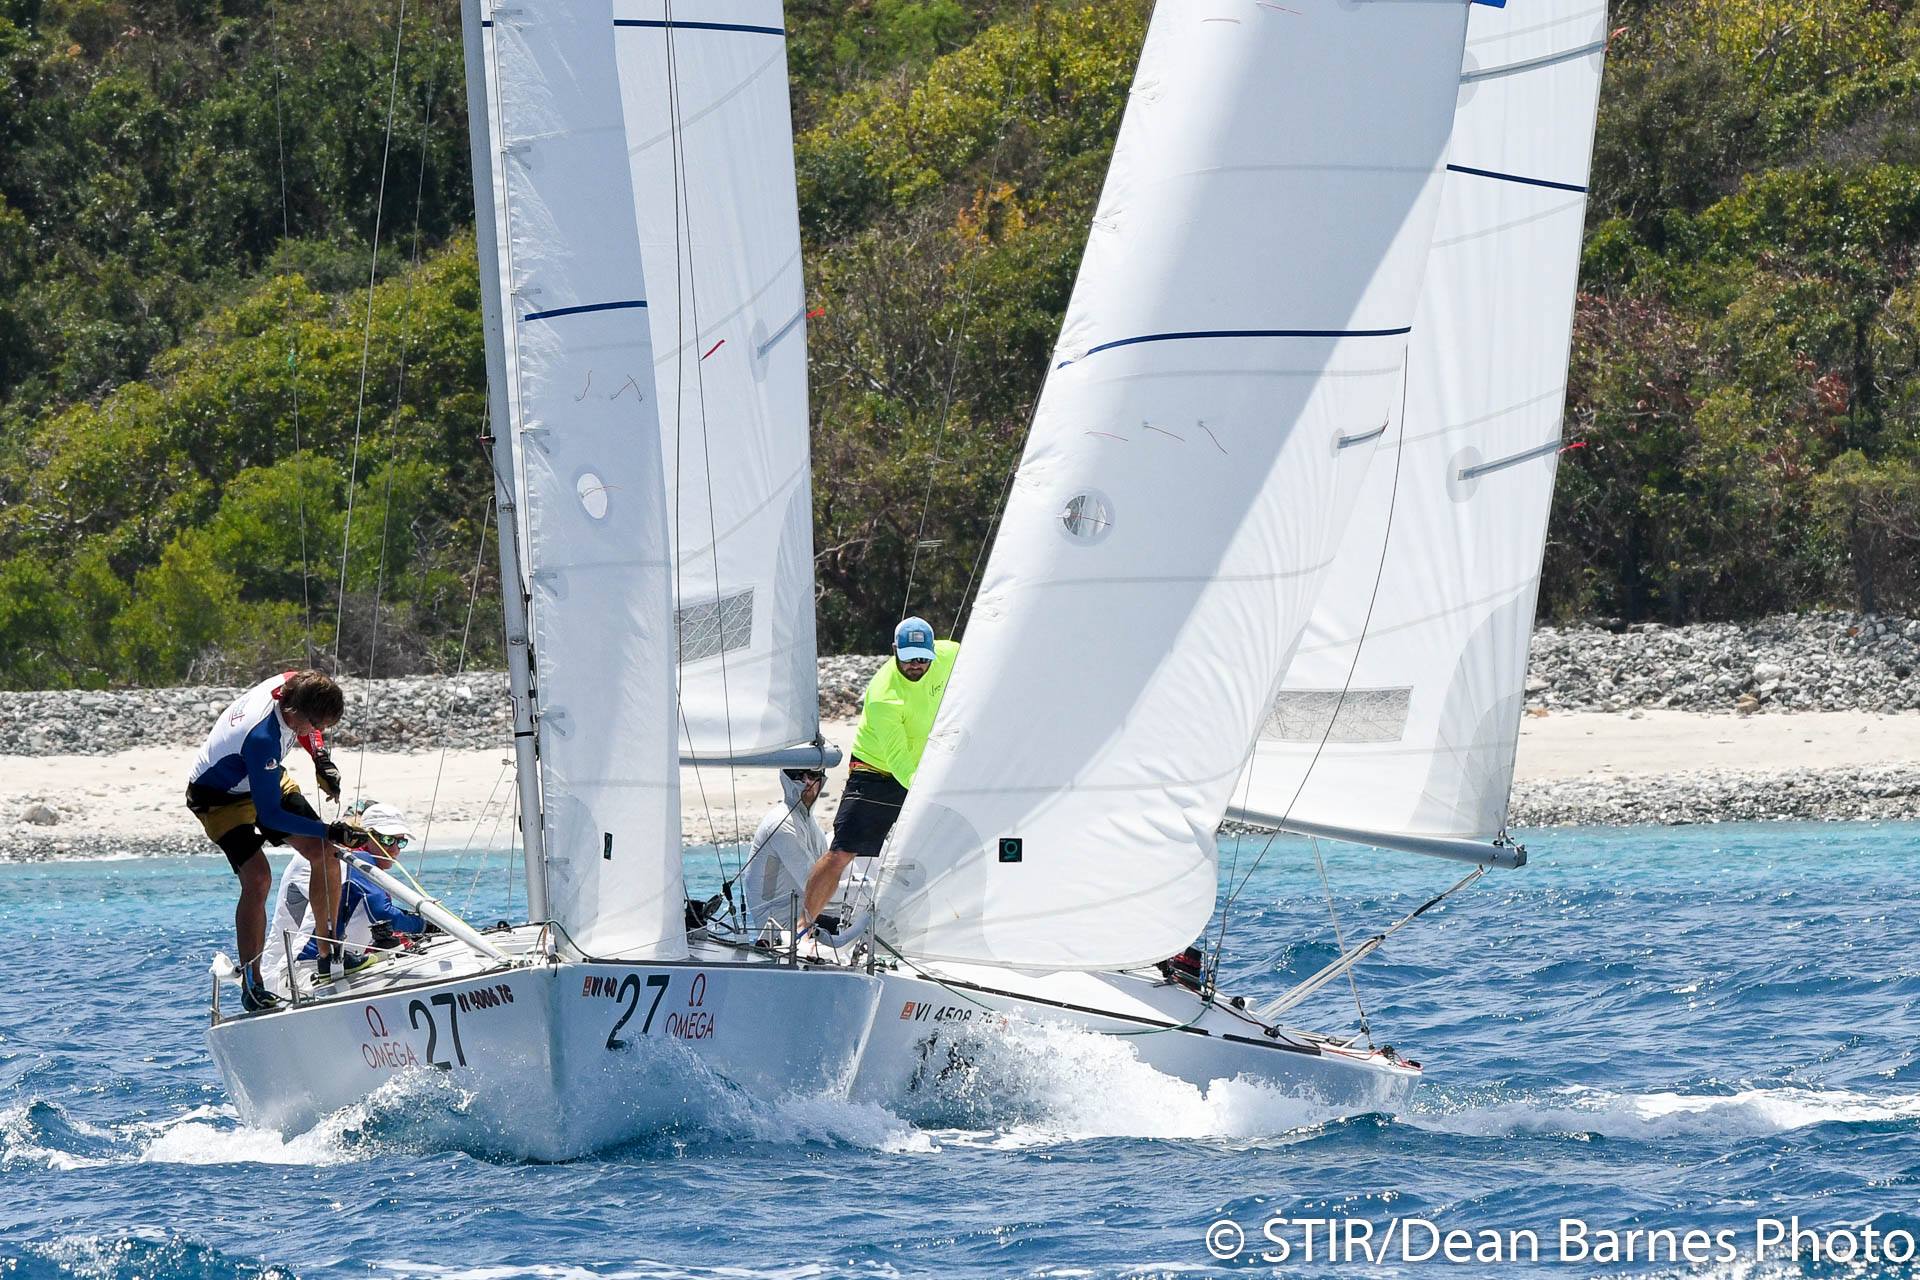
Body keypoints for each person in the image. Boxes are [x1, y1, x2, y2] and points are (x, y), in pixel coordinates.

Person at [185, 670, 361, 1011]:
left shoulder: (296, 683)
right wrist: (329, 828)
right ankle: (253, 983)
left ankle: (329, 955)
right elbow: (270, 817)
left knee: (326, 854)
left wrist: (320, 758)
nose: (316, 732)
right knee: (258, 878)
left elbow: (311, 730)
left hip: (263, 776)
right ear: (293, 712)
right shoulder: (262, 737)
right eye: (314, 725)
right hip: (218, 797)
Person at [801, 616, 959, 925]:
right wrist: (929, 791)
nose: (916, 665)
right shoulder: (885, 696)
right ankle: (803, 926)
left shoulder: (951, 654)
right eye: (908, 658)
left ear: (933, 651)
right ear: (894, 650)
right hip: (876, 771)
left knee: (952, 844)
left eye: (922, 659)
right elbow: (899, 762)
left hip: (926, 766)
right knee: (842, 853)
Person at [262, 801, 426, 996]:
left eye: (401, 842)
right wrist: (424, 925)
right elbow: (382, 912)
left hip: (331, 968)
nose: (395, 849)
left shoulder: (358, 864)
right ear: (367, 837)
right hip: (306, 971)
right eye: (388, 841)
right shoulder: (352, 860)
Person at [742, 768, 827, 935]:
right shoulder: (782, 823)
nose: (807, 782)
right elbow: (813, 884)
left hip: (805, 918)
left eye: (812, 776)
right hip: (777, 928)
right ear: (786, 780)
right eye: (798, 776)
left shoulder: (812, 825)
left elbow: (827, 876)